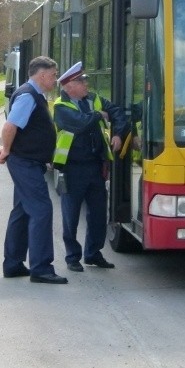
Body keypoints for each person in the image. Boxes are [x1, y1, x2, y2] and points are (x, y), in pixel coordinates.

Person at [0, 56, 68, 284]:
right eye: (54, 75)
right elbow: (10, 126)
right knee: (41, 210)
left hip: (28, 161)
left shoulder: (34, 95)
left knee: (23, 211)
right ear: (43, 74)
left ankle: (13, 264)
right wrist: (6, 150)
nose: (55, 80)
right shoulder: (28, 95)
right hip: (24, 162)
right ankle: (41, 268)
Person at [53, 61, 129, 272]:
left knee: (98, 214)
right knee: (71, 214)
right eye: (81, 81)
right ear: (69, 86)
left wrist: (118, 133)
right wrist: (98, 115)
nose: (86, 84)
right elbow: (79, 123)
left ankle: (93, 253)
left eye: (85, 80)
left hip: (96, 167)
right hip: (73, 168)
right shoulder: (61, 106)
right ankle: (72, 257)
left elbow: (119, 113)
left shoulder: (94, 99)